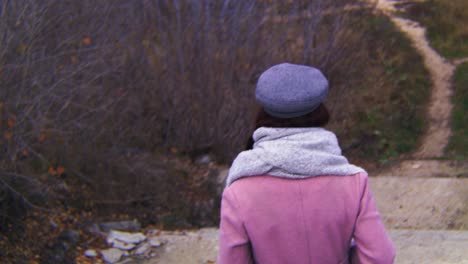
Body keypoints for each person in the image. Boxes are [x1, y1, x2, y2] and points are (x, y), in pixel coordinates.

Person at [217, 63, 396, 264]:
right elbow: (380, 256)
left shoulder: (239, 190)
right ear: (320, 111)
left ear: (263, 113)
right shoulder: (354, 183)